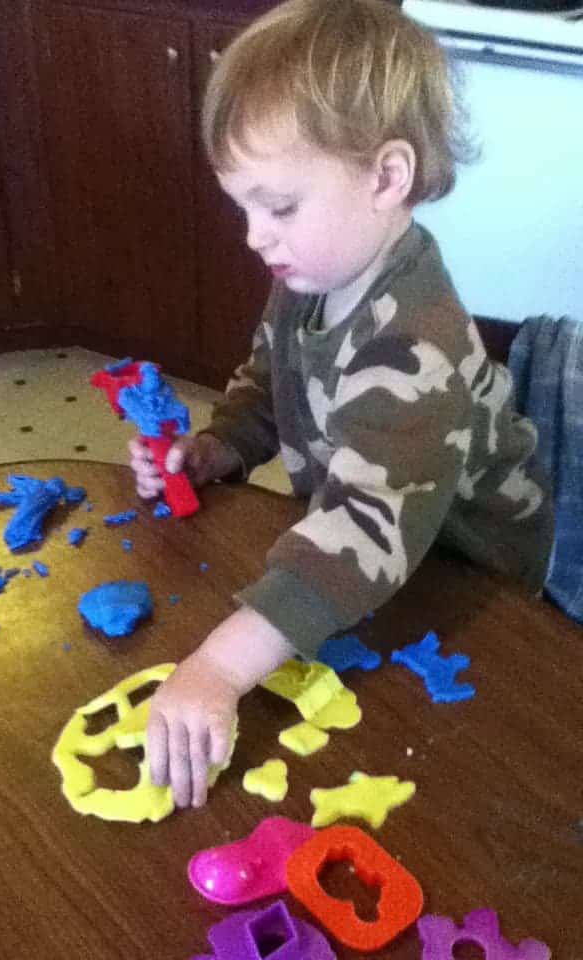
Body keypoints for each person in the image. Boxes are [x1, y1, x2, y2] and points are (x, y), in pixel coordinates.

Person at [129, 0, 553, 809]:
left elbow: (368, 528)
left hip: (465, 583)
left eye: (279, 206)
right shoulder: (311, 276)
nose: (256, 236)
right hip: (368, 555)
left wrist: (218, 666)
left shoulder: (415, 343)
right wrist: (218, 447)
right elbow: (268, 386)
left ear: (386, 177)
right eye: (243, 207)